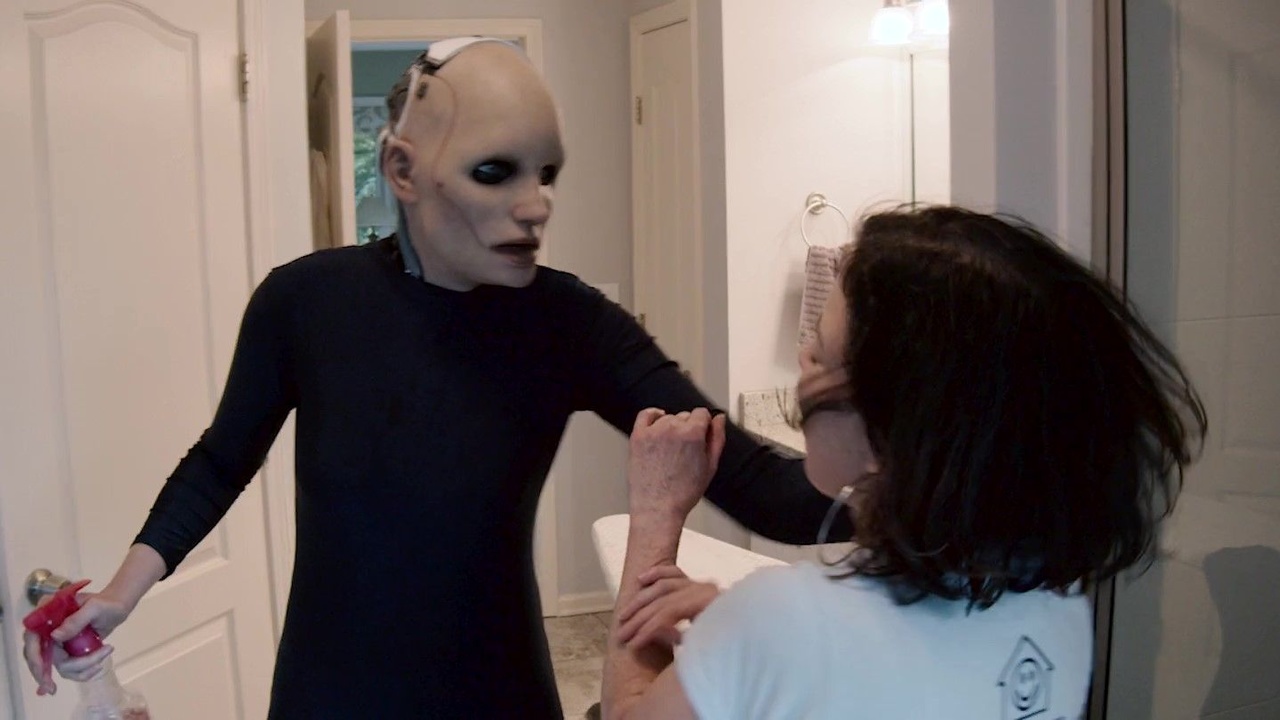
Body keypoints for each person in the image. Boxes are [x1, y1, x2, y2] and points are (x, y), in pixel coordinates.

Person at [22, 37, 847, 718]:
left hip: (499, 694)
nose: (535, 205)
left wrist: (903, 462)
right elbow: (220, 460)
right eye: (494, 172)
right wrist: (124, 592)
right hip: (328, 694)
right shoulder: (306, 302)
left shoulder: (568, 323)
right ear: (403, 170)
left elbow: (763, 490)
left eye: (545, 173)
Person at [602, 206, 1208, 719]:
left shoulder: (775, 626)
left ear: (903, 426)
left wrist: (656, 512)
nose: (804, 357)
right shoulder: (1058, 610)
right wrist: (737, 632)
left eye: (824, 353)